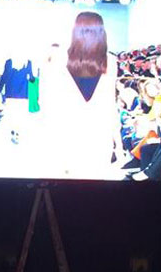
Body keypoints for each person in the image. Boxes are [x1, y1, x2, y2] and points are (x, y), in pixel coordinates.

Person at [39, 12, 126, 179]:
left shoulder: (57, 58)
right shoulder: (110, 62)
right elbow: (109, 106)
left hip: (66, 131)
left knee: (64, 192)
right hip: (98, 134)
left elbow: (49, 102)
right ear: (102, 32)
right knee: (92, 193)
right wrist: (118, 142)